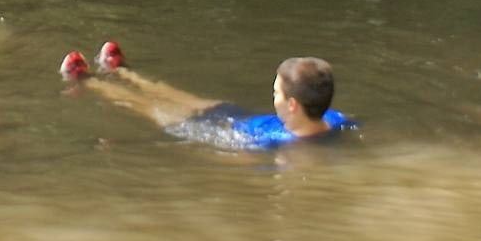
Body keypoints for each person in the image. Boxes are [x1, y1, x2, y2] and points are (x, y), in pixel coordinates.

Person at [61, 41, 351, 150]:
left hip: (215, 130)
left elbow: (231, 155)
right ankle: (123, 72)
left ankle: (87, 80)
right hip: (238, 116)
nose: (271, 95)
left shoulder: (280, 147)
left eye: (275, 92)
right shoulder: (335, 119)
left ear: (292, 104)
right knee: (176, 95)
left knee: (143, 105)